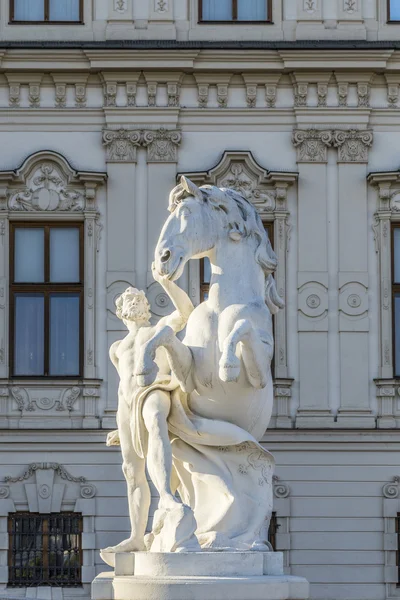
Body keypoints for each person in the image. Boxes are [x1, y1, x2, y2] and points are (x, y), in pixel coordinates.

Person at [103, 265, 194, 553]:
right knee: (131, 471)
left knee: (155, 419)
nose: (135, 301)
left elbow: (186, 312)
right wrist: (122, 426)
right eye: (129, 300)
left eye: (139, 299)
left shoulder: (157, 328)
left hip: (156, 389)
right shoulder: (117, 347)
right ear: (121, 311)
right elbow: (123, 384)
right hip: (127, 406)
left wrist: (165, 282)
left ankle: (167, 495)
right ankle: (135, 536)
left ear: (147, 306)